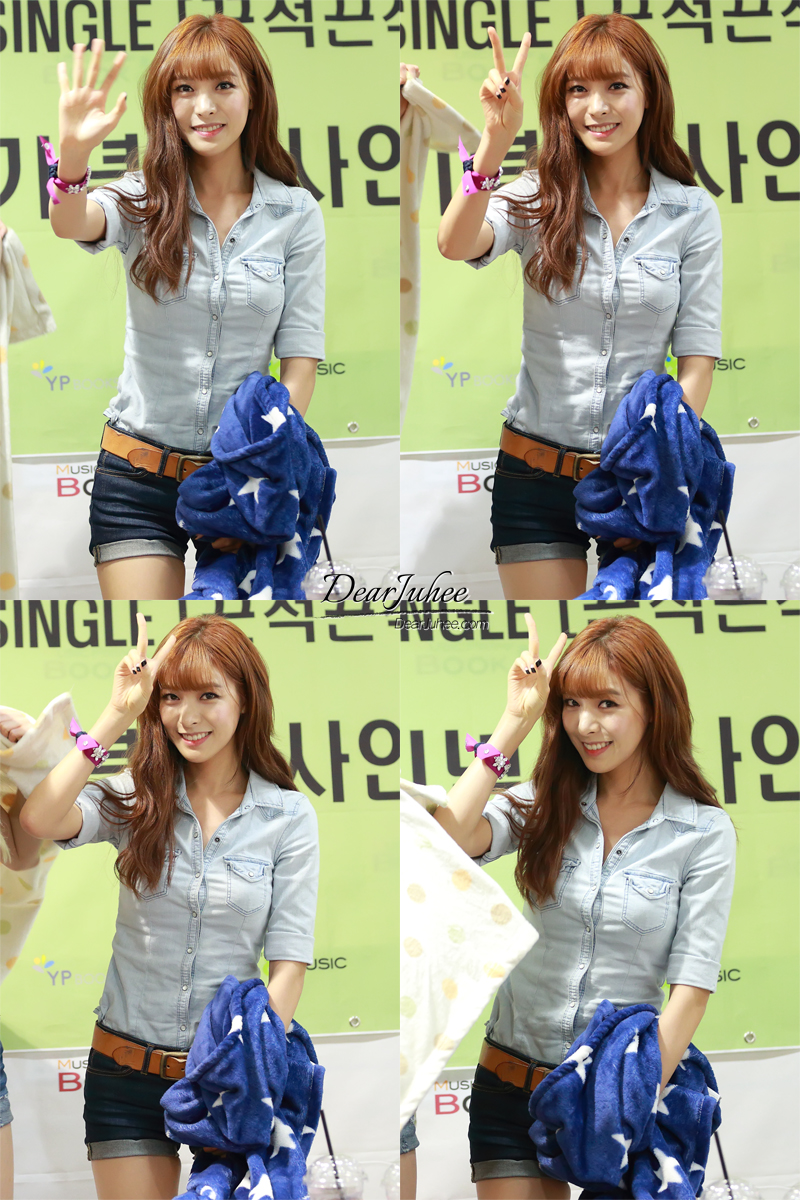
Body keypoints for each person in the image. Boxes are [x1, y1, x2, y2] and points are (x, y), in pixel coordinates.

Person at [434, 614, 736, 1199]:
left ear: (655, 707)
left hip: (615, 1095)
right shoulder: (546, 799)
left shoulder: (702, 831)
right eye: (571, 704)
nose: (585, 724)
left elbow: (692, 987)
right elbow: (447, 841)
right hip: (512, 1086)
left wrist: (629, 1100)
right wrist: (515, 722)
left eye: (607, 704)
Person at [20, 613, 319, 1200]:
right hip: (124, 1073)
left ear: (245, 700)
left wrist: (253, 1070)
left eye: (209, 695)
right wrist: (117, 714)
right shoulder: (138, 796)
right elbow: (40, 819)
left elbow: (289, 964)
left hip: (228, 1079)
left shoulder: (287, 815)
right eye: (171, 697)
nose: (188, 716)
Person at [437, 14, 722, 600]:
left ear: (649, 93)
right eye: (578, 90)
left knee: (625, 641)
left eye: (616, 86)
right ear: (561, 103)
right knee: (556, 639)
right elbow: (455, 243)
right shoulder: (537, 195)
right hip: (534, 475)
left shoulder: (690, 212)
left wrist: (662, 459)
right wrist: (492, 145)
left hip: (641, 478)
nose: (597, 107)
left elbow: (697, 357)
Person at [48, 14, 325, 600]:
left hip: (242, 480)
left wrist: (262, 458)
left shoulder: (295, 212)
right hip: (136, 477)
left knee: (224, 643)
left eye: (223, 85)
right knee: (150, 639)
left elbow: (300, 359)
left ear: (253, 94)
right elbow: (73, 222)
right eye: (185, 89)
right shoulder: (140, 197)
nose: (205, 106)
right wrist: (71, 162)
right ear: (166, 103)